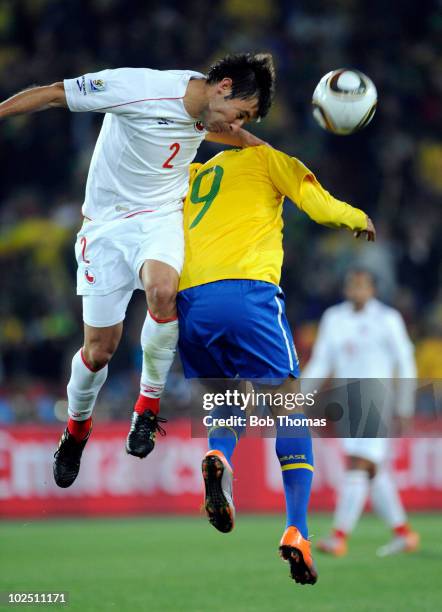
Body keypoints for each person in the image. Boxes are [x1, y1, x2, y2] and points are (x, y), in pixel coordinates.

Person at [0, 53, 275, 488]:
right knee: (99, 351)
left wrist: (286, 170)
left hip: (162, 217)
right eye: (241, 112)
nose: (239, 123)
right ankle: (76, 430)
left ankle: (147, 408)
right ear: (223, 87)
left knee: (164, 292)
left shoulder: (209, 114)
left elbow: (235, 137)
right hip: (106, 226)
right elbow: (55, 95)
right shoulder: (139, 88)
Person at [177, 144, 376, 585]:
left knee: (226, 400)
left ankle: (218, 454)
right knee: (288, 407)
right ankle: (298, 529)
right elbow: (319, 206)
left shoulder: (190, 175)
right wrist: (356, 217)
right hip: (248, 292)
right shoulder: (268, 159)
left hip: (191, 301)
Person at [302, 268, 420, 557]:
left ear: (373, 290)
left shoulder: (387, 319)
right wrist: (300, 395)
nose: (356, 291)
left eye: (362, 286)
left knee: (358, 462)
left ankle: (338, 536)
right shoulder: (334, 318)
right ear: (345, 289)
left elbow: (405, 361)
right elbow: (321, 361)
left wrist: (405, 404)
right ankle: (403, 533)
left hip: (376, 395)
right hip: (346, 400)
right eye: (352, 286)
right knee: (372, 470)